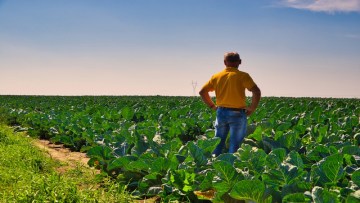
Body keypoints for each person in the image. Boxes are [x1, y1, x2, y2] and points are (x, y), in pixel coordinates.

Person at [199, 52, 261, 156]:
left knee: (217, 143)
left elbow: (202, 92)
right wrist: (252, 108)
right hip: (237, 113)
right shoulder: (243, 76)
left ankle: (214, 164)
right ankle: (231, 167)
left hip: (221, 112)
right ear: (240, 62)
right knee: (235, 145)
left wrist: (212, 106)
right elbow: (256, 91)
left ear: (224, 62)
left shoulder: (216, 76)